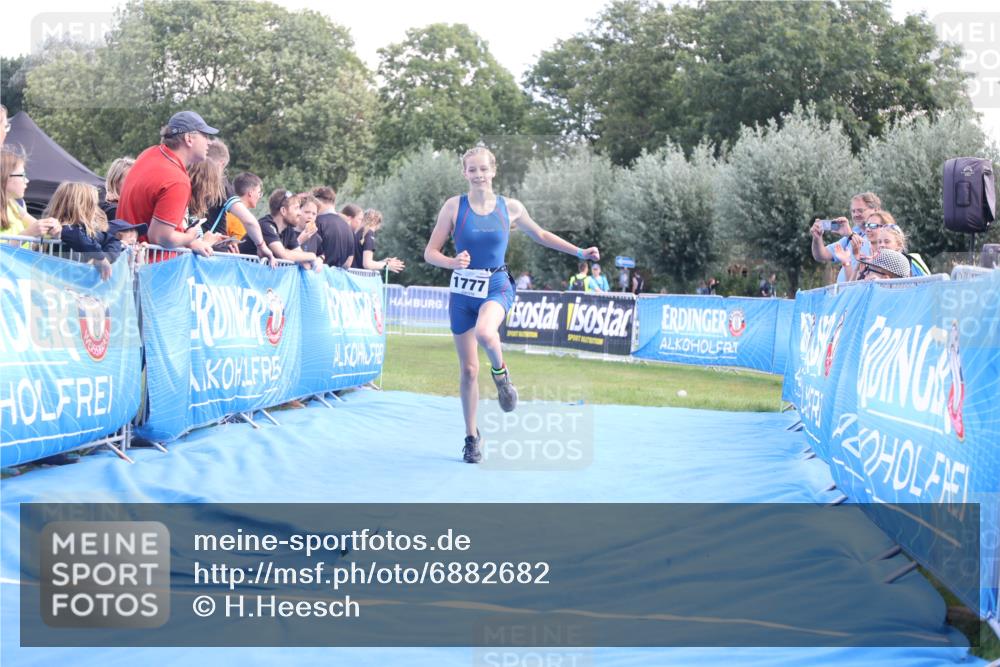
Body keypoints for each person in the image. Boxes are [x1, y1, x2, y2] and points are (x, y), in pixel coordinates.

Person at [424, 146, 598, 463]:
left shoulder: (511, 207)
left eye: (483, 169)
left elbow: (542, 234)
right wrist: (452, 261)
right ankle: (471, 437)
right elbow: (430, 253)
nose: (478, 175)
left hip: (496, 283)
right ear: (464, 173)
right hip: (463, 291)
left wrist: (580, 253)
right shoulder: (453, 207)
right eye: (472, 170)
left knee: (487, 334)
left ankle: (502, 376)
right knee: (467, 371)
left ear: (493, 171)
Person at [117, 110, 223, 256]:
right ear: (189, 139)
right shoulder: (176, 180)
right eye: (205, 135)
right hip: (153, 269)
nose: (209, 142)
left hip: (128, 260)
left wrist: (190, 242)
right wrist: (190, 237)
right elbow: (159, 237)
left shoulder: (149, 153)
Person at [190, 141, 273, 261]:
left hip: (187, 254)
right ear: (221, 164)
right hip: (212, 256)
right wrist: (261, 245)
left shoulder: (187, 178)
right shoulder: (221, 185)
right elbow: (250, 221)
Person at [49, 182, 122, 280]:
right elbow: (71, 233)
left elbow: (114, 241)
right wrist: (101, 258)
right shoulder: (57, 229)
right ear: (84, 207)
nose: (96, 209)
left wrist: (105, 257)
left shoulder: (88, 232)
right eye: (94, 205)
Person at [237, 189, 320, 270]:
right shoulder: (266, 226)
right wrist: (312, 256)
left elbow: (305, 264)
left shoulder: (288, 229)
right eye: (296, 208)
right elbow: (284, 255)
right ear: (283, 211)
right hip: (240, 278)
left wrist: (308, 259)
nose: (299, 213)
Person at [810, 192, 880, 283]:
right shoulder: (853, 235)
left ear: (876, 210)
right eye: (853, 211)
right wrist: (817, 238)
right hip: (847, 292)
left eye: (860, 210)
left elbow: (872, 247)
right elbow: (821, 255)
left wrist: (850, 235)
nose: (856, 214)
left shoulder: (883, 232)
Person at [1, 147, 61, 242]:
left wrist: (52, 228)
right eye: (22, 175)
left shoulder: (13, 206)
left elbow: (39, 228)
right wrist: (29, 233)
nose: (27, 180)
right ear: (4, 176)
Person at [311, 186, 355, 268]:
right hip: (337, 277)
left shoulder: (316, 222)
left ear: (317, 202)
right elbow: (348, 262)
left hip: (317, 274)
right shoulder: (347, 227)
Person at [352, 208, 404, 273]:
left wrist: (382, 262)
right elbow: (367, 264)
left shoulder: (357, 233)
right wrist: (387, 265)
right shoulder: (369, 234)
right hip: (358, 277)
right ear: (378, 223)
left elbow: (360, 262)